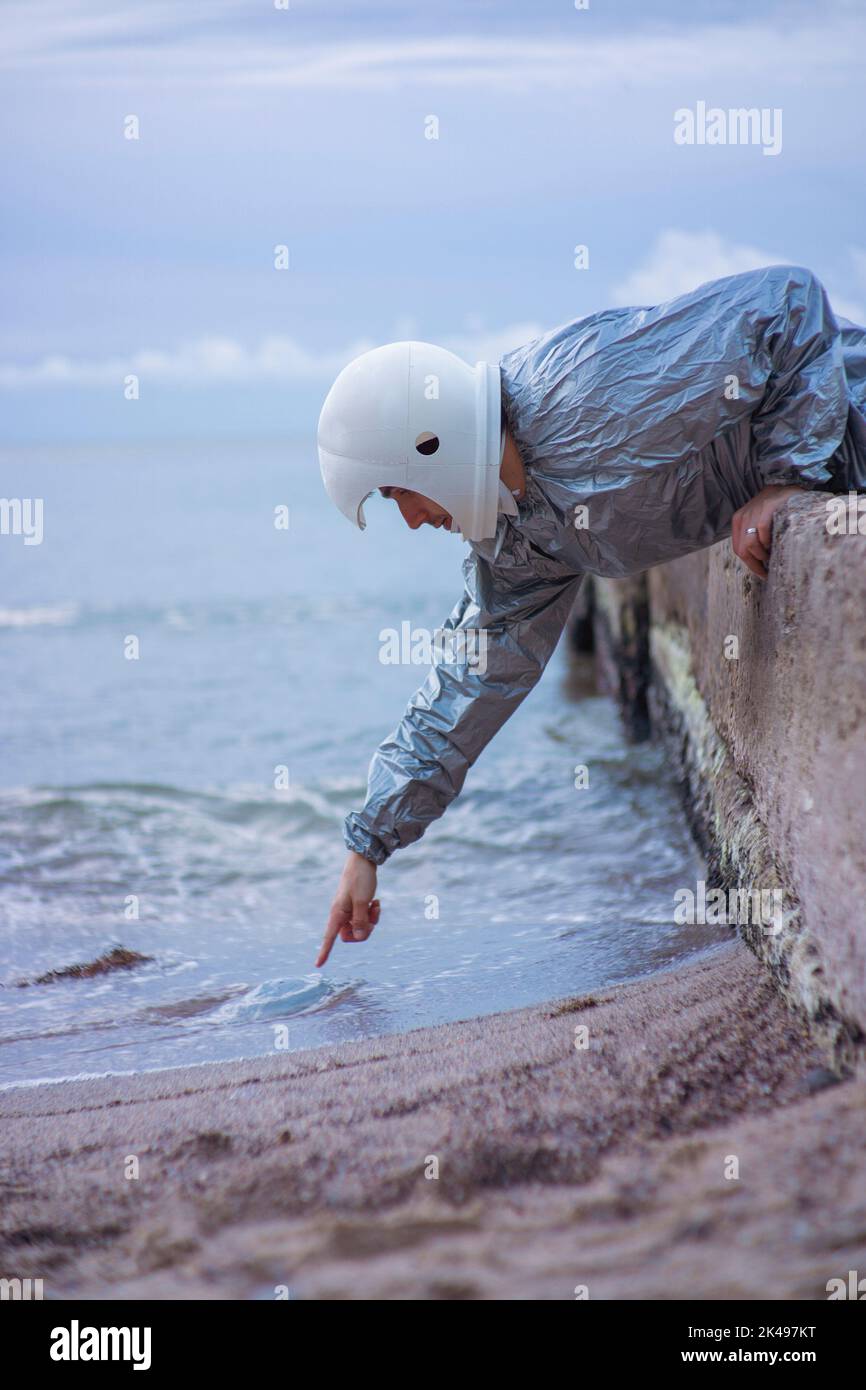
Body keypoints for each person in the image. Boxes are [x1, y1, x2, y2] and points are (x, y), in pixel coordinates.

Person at [314, 263, 866, 966]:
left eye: (399, 497)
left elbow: (786, 306)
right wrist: (367, 846)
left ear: (434, 446)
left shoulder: (582, 392)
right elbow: (469, 683)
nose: (415, 522)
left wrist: (790, 476)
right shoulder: (519, 536)